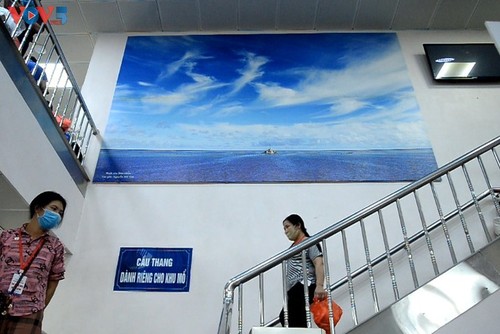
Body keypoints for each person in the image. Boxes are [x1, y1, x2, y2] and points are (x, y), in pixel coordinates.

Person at [0, 191, 66, 333]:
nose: (57, 215)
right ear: (38, 208)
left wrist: (39, 306)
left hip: (29, 311)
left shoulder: (55, 246)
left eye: (60, 213)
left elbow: (54, 281)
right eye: (54, 209)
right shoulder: (7, 236)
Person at [279, 214, 327, 328]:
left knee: (287, 316)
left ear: (298, 225)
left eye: (287, 226)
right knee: (295, 318)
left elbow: (319, 262)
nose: (285, 231)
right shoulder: (292, 247)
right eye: (284, 229)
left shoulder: (309, 242)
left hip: (304, 285)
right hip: (294, 289)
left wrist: (320, 286)